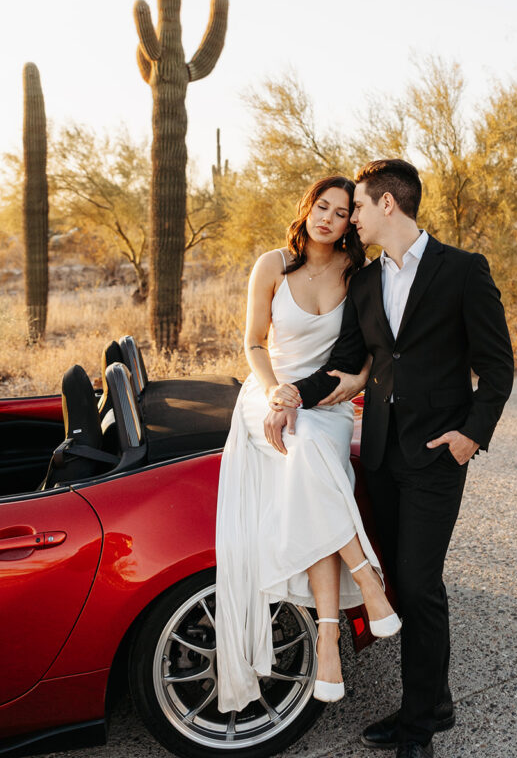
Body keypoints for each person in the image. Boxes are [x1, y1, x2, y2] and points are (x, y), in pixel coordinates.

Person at [269, 159, 514, 758]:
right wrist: (289, 393)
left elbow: (498, 365)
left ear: (387, 205)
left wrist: (470, 435)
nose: (349, 217)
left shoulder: (463, 271)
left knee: (420, 584)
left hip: (436, 455)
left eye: (355, 206)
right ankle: (435, 701)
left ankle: (418, 728)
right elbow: (348, 361)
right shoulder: (366, 282)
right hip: (378, 453)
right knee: (400, 583)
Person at [215, 175, 401, 715]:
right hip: (270, 392)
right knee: (305, 444)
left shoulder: (357, 275)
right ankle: (365, 580)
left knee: (312, 447)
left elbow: (369, 349)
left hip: (327, 401)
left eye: (341, 213)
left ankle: (326, 641)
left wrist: (359, 381)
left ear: (351, 224)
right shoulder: (272, 264)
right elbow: (252, 341)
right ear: (308, 209)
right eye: (322, 207)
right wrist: (276, 391)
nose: (328, 219)